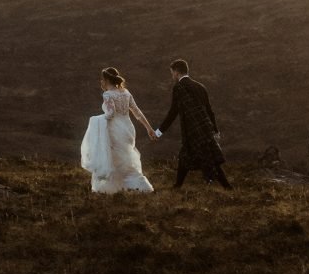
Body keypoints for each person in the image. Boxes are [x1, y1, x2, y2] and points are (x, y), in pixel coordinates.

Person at [153, 59, 233, 189]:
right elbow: (210, 111)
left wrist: (158, 132)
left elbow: (173, 112)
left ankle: (227, 188)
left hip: (192, 131)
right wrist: (216, 130)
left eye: (172, 72)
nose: (172, 75)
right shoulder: (201, 87)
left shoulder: (179, 88)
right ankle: (178, 185)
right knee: (188, 156)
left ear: (177, 72)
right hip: (206, 129)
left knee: (197, 158)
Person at [80, 67, 157, 193]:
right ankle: (138, 186)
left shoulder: (107, 94)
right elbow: (137, 112)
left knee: (114, 159)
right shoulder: (126, 93)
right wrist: (149, 128)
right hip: (128, 128)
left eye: (102, 79)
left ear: (105, 80)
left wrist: (95, 119)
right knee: (127, 158)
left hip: (114, 129)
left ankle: (114, 188)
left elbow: (110, 114)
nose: (101, 82)